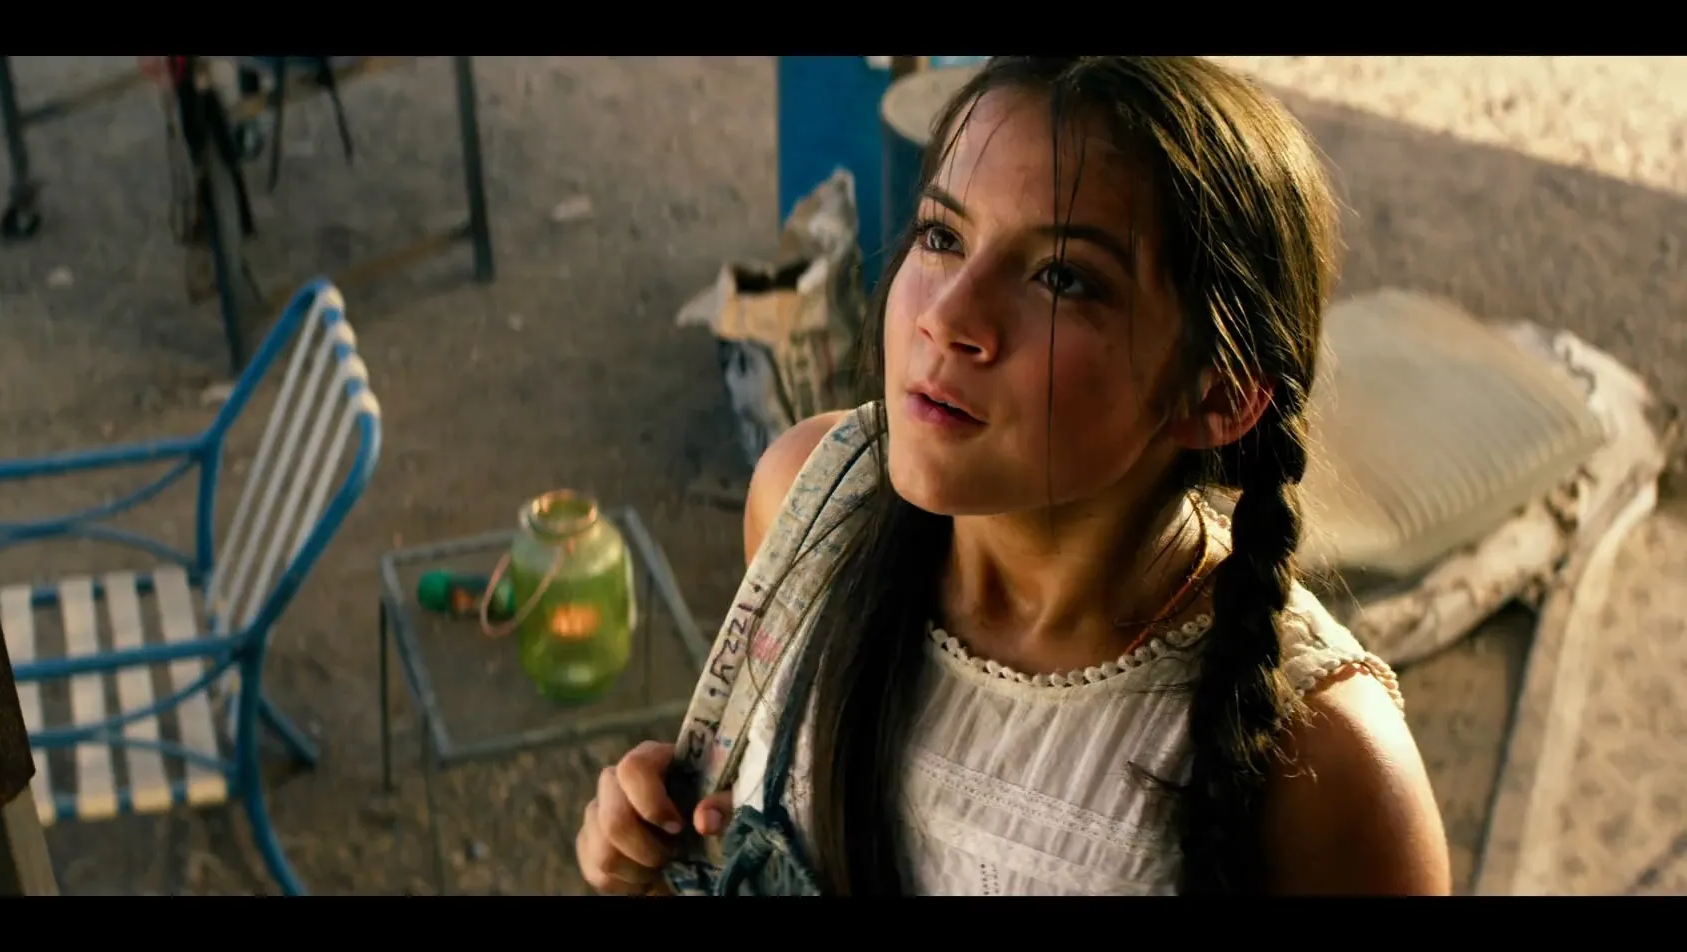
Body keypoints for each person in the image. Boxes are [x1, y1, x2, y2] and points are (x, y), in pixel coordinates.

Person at [576, 55, 1453, 896]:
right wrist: (651, 865)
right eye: (941, 236)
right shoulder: (809, 508)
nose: (948, 316)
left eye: (1062, 277)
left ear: (1217, 395)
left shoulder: (1324, 765)